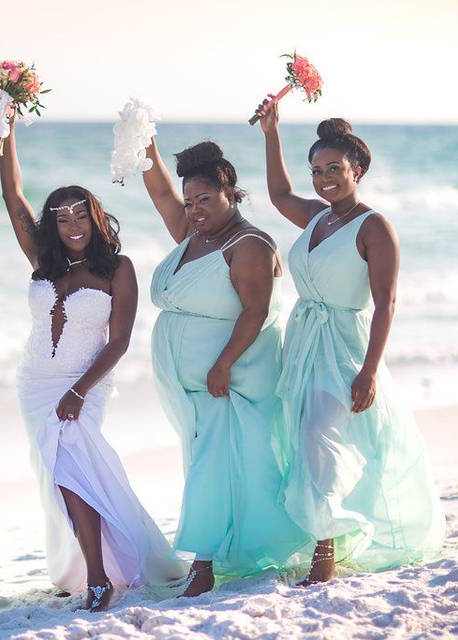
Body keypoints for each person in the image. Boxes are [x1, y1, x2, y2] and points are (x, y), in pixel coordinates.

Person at [0, 110, 186, 611]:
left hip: (87, 384)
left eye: (81, 215)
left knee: (74, 472)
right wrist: (6, 130)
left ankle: (100, 576)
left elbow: (120, 341)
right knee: (58, 476)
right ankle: (89, 568)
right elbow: (12, 198)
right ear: (52, 225)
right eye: (62, 219)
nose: (72, 225)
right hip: (36, 383)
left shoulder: (117, 269)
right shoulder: (43, 261)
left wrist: (79, 390)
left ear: (96, 218)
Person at [255, 99, 445, 584]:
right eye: (316, 170)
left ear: (357, 168)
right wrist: (271, 132)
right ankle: (323, 537)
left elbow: (386, 303)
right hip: (303, 344)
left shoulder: (374, 226)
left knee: (321, 438)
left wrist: (369, 370)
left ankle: (325, 551)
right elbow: (278, 195)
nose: (324, 179)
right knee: (305, 439)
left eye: (334, 169)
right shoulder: (319, 218)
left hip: (346, 347)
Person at [143, 137, 311, 596]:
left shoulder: (249, 243)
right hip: (191, 382)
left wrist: (221, 366)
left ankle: (202, 565)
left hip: (230, 379)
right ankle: (225, 551)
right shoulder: (196, 234)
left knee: (211, 466)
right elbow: (160, 193)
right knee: (210, 463)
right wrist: (145, 144)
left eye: (206, 199)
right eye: (190, 200)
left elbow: (255, 311)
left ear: (230, 193)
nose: (195, 209)